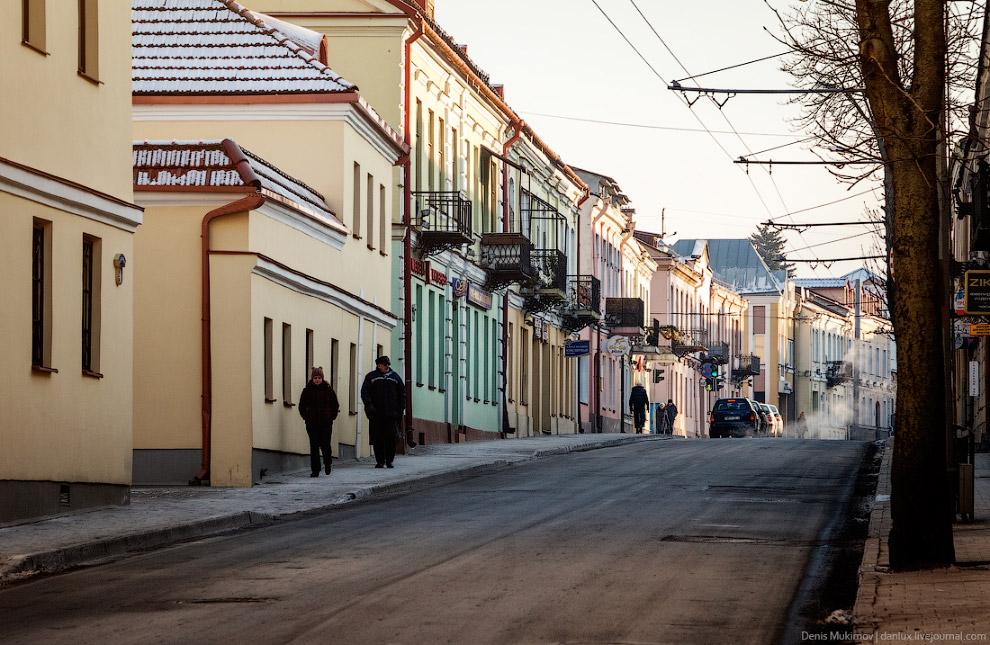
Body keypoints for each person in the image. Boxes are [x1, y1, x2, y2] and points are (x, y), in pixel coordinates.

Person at [361, 356, 406, 468]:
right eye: (385, 364)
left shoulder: (395, 377)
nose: (387, 366)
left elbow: (402, 394)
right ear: (378, 365)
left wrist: (401, 409)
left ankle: (390, 460)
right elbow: (365, 392)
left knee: (391, 437)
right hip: (376, 413)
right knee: (378, 438)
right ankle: (380, 461)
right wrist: (369, 405)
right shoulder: (371, 377)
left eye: (388, 364)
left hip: (391, 414)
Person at [298, 366, 339, 477]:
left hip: (326, 422)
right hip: (312, 423)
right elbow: (302, 406)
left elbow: (335, 405)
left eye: (319, 378)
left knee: (325, 445)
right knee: (314, 446)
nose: (317, 380)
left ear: (322, 378)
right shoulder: (307, 391)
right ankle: (315, 470)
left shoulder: (328, 390)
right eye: (315, 377)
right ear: (312, 378)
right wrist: (306, 417)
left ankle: (327, 463)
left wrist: (331, 417)